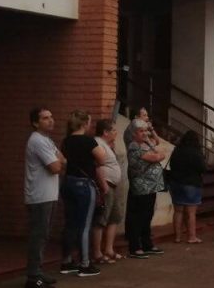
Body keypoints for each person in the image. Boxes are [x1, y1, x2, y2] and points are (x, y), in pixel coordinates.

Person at [60, 111, 107, 277]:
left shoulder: (66, 141)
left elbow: (64, 159)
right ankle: (85, 263)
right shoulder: (88, 141)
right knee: (85, 224)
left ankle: (66, 260)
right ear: (84, 124)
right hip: (84, 183)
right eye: (89, 122)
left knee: (70, 223)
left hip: (68, 182)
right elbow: (102, 159)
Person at [23, 107, 65, 288]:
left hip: (49, 194)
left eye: (51, 116)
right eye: (45, 118)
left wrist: (59, 160)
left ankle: (38, 271)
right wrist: (58, 161)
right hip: (39, 195)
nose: (51, 120)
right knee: (38, 235)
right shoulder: (37, 141)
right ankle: (33, 276)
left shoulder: (47, 140)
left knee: (43, 234)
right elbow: (56, 166)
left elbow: (63, 159)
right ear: (35, 122)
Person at [125, 118, 166, 258]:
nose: (144, 133)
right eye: (141, 131)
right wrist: (158, 155)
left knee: (147, 215)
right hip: (141, 186)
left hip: (151, 186)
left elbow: (161, 150)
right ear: (134, 133)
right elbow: (154, 157)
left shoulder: (146, 143)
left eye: (145, 130)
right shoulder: (134, 146)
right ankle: (135, 247)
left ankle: (147, 244)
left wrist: (151, 135)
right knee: (138, 216)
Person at [92, 119, 125, 262]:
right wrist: (103, 184)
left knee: (114, 217)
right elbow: (98, 165)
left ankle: (109, 249)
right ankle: (97, 253)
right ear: (105, 132)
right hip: (106, 185)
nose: (116, 133)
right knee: (102, 219)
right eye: (113, 130)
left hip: (113, 185)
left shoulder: (107, 144)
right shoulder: (98, 143)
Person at [169, 130, 207, 244]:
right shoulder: (196, 152)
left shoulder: (177, 150)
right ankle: (192, 237)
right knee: (191, 213)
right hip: (192, 184)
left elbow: (171, 164)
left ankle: (177, 237)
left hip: (176, 183)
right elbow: (202, 168)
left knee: (178, 211)